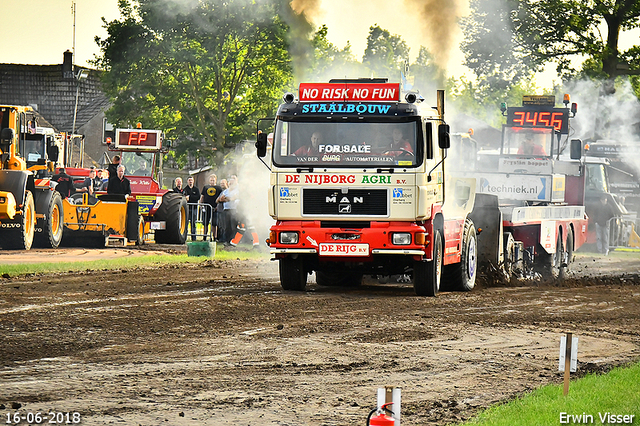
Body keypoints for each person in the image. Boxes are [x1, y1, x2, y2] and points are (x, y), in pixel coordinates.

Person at [217, 175, 239, 244]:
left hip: (234, 210)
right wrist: (222, 199)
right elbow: (218, 200)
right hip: (226, 210)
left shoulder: (237, 190)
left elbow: (233, 198)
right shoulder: (225, 191)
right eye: (230, 181)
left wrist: (226, 199)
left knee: (233, 226)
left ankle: (233, 241)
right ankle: (227, 241)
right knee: (226, 226)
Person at [200, 174, 223, 241]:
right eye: (211, 180)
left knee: (214, 224)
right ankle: (204, 236)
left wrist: (217, 206)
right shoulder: (205, 187)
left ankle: (214, 237)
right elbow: (202, 196)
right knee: (205, 223)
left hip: (214, 208)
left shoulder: (219, 188)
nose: (212, 181)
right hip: (206, 208)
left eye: (213, 180)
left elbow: (220, 198)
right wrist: (201, 204)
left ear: (215, 180)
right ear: (209, 180)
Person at [183, 176, 201, 240]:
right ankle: (184, 237)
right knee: (186, 223)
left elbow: (198, 197)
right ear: (187, 181)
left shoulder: (196, 189)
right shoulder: (185, 189)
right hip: (187, 209)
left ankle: (193, 238)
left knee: (193, 223)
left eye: (191, 180)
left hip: (194, 209)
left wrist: (190, 197)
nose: (190, 181)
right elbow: (184, 197)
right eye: (189, 180)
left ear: (193, 181)